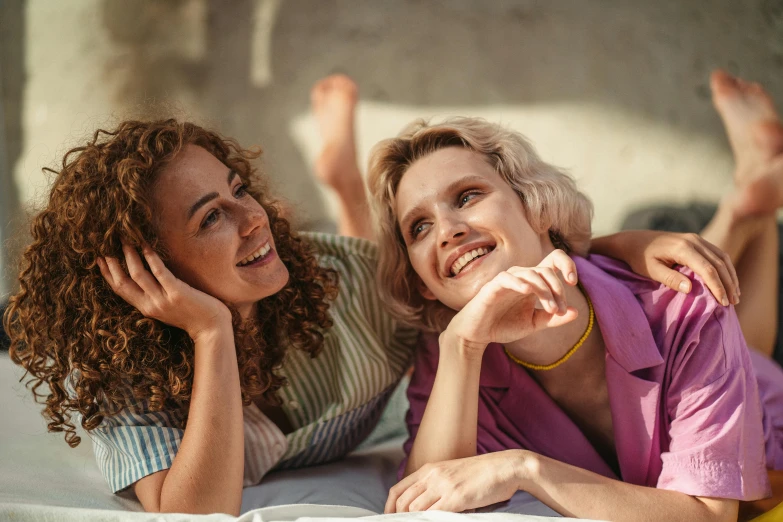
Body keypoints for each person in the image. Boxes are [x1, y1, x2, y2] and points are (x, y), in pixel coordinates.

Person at [3, 75, 741, 516]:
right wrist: (210, 335)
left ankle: (743, 209)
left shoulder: (343, 280)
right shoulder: (119, 375)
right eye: (211, 217)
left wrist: (627, 244)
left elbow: (484, 256)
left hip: (373, 295)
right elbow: (198, 512)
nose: (253, 214)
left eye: (239, 191)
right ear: (148, 264)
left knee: (368, 250)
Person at [363, 70, 783, 521]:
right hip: (710, 353)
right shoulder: (449, 351)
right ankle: (751, 201)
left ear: (535, 204)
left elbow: (710, 516)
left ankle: (748, 205)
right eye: (419, 227)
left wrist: (526, 469)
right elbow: (423, 502)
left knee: (728, 323)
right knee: (743, 338)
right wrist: (460, 347)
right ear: (424, 281)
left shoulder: (683, 309)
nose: (447, 230)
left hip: (766, 445)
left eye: (467, 196)